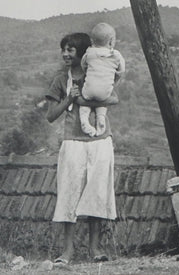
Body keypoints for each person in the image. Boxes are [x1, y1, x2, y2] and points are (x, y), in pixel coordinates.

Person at [44, 31, 118, 265]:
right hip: (73, 143)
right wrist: (69, 99)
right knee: (69, 195)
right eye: (63, 50)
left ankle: (94, 249)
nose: (65, 54)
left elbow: (113, 98)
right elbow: (51, 115)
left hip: (99, 141)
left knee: (96, 194)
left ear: (84, 53)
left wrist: (85, 100)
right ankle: (67, 252)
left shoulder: (96, 75)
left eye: (71, 50)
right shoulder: (60, 79)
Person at [77, 22, 125, 137]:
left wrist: (89, 74)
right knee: (102, 102)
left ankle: (84, 120)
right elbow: (121, 71)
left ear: (92, 41)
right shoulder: (116, 55)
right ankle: (101, 119)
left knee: (85, 102)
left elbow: (83, 65)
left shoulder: (89, 53)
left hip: (88, 90)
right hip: (104, 92)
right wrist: (114, 78)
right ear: (111, 41)